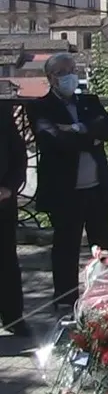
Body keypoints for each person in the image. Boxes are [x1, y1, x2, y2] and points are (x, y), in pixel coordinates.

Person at [27, 53, 108, 312]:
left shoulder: (89, 101)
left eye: (72, 69)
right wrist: (90, 135)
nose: (70, 75)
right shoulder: (40, 107)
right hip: (65, 192)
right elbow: (52, 139)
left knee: (103, 247)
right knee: (66, 249)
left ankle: (105, 297)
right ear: (51, 78)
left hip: (96, 188)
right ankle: (66, 301)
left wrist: (75, 130)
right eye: (64, 72)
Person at [0, 103, 30, 337]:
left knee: (6, 260)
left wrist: (9, 187)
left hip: (2, 200)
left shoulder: (2, 113)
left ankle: (13, 318)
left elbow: (19, 155)